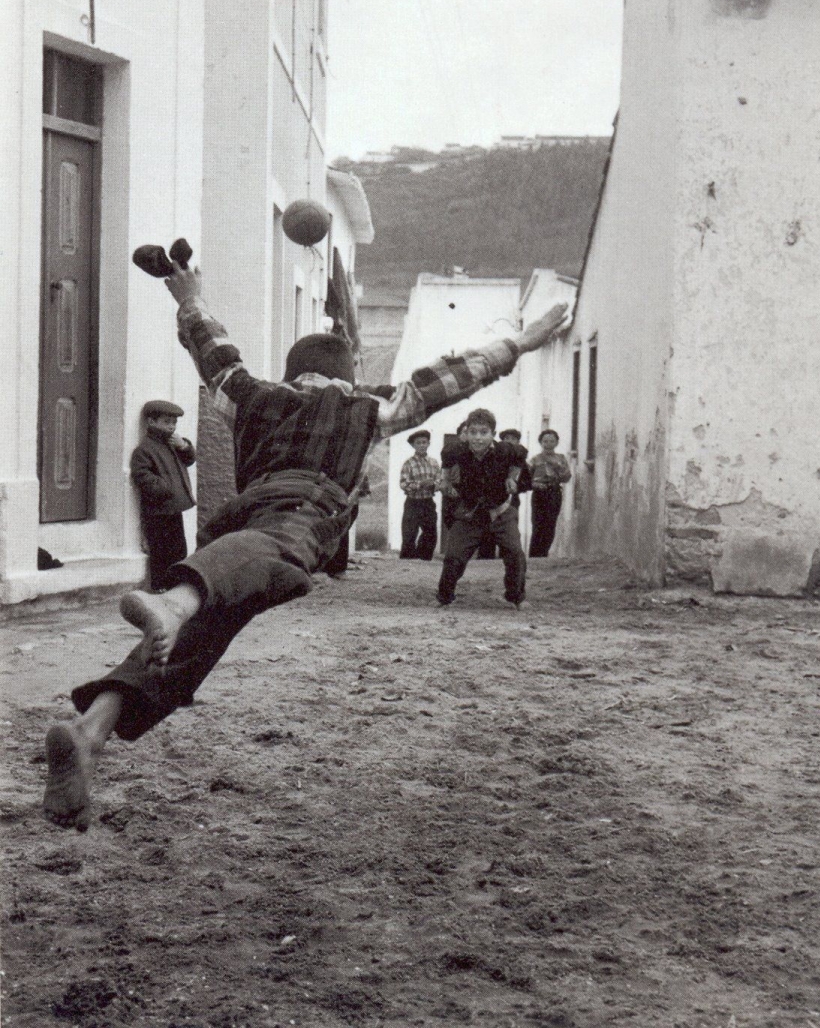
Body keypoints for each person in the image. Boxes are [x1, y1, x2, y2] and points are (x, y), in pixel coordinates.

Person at [41, 256, 568, 831]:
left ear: (294, 372)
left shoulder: (250, 395)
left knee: (194, 641)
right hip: (299, 514)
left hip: (239, 521)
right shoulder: (368, 405)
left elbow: (214, 351)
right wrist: (521, 343)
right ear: (345, 375)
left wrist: (187, 294)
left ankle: (90, 731)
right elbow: (453, 376)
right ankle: (172, 602)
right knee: (271, 558)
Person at [437, 409, 527, 608]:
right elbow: (446, 460)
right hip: (471, 513)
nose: (478, 438)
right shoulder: (456, 451)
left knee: (515, 553)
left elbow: (521, 456)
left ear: (493, 434)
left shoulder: (506, 450)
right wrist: (445, 481)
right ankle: (445, 598)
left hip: (501, 512)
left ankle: (515, 598)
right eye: (473, 432)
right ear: (466, 433)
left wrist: (512, 477)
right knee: (453, 556)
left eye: (484, 433)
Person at [130, 400, 196, 592]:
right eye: (166, 422)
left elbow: (189, 459)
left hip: (174, 507)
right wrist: (165, 488)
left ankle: (176, 583)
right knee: (160, 549)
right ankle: (160, 585)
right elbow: (141, 474)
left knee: (179, 547)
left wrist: (184, 446)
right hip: (158, 509)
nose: (171, 426)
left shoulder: (172, 443)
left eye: (174, 422)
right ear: (151, 422)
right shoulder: (145, 449)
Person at [528, 429, 572, 558]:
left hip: (554, 494)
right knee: (537, 524)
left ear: (557, 442)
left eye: (552, 441)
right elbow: (526, 479)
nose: (548, 444)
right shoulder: (535, 459)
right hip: (539, 494)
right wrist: (535, 484)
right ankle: (534, 556)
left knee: (550, 524)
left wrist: (558, 469)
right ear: (540, 442)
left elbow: (567, 477)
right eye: (545, 441)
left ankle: (544, 554)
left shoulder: (561, 458)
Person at [399, 430, 440, 560]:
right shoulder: (408, 463)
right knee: (409, 534)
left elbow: (440, 480)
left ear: (428, 443)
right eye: (418, 443)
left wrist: (434, 485)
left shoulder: (434, 463)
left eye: (424, 442)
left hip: (428, 502)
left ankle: (424, 560)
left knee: (430, 533)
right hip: (413, 503)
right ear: (413, 445)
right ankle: (407, 562)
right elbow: (403, 484)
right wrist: (420, 484)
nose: (422, 445)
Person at [497, 428, 532, 510]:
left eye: (513, 439)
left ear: (518, 442)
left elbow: (527, 482)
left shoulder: (520, 461)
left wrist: (516, 486)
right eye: (507, 438)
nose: (509, 441)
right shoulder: (495, 456)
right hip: (494, 499)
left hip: (512, 501)